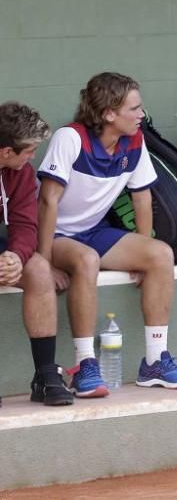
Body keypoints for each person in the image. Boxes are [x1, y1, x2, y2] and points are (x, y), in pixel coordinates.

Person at [37, 73, 177, 397]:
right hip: (56, 235)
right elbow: (47, 201)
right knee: (86, 259)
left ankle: (155, 361)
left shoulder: (135, 142)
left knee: (160, 254)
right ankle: (85, 365)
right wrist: (43, 262)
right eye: (134, 108)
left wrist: (143, 250)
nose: (142, 114)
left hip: (95, 231)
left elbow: (142, 198)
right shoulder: (70, 138)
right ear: (109, 113)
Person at [0, 103, 74, 407]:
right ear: (6, 151)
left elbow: (25, 222)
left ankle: (45, 375)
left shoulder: (20, 171)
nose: (33, 156)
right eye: (29, 150)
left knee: (39, 269)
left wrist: (15, 257)